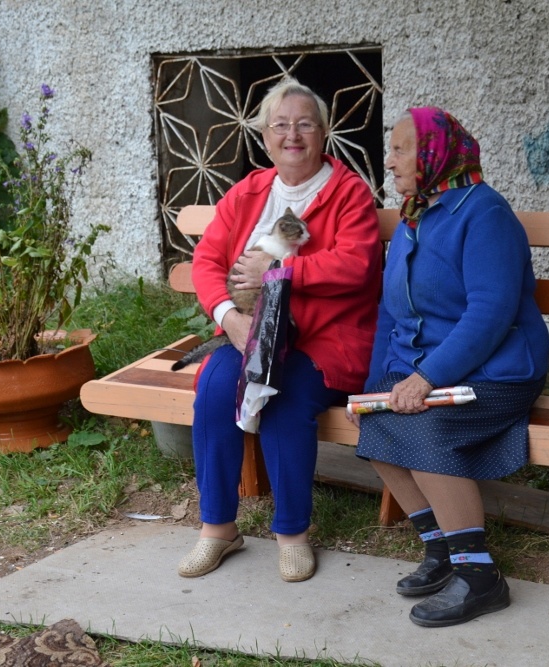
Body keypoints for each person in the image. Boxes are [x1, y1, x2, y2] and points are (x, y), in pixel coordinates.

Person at [353, 107, 549, 626]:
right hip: (426, 367)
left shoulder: (484, 214)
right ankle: (441, 549)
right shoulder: (415, 217)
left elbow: (491, 311)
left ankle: (481, 575)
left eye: (400, 149)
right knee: (375, 421)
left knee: (423, 426)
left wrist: (427, 378)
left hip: (497, 370)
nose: (388, 161)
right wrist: (374, 389)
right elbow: (391, 315)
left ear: (435, 154)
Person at [179, 77, 381, 582]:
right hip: (251, 332)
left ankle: (291, 534)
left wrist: (282, 272)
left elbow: (356, 265)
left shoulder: (347, 192)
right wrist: (232, 318)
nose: (293, 135)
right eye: (281, 125)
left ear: (323, 133)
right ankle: (218, 528)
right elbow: (206, 262)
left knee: (286, 397)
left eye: (305, 124)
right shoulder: (247, 192)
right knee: (215, 385)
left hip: (326, 339)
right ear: (265, 137)